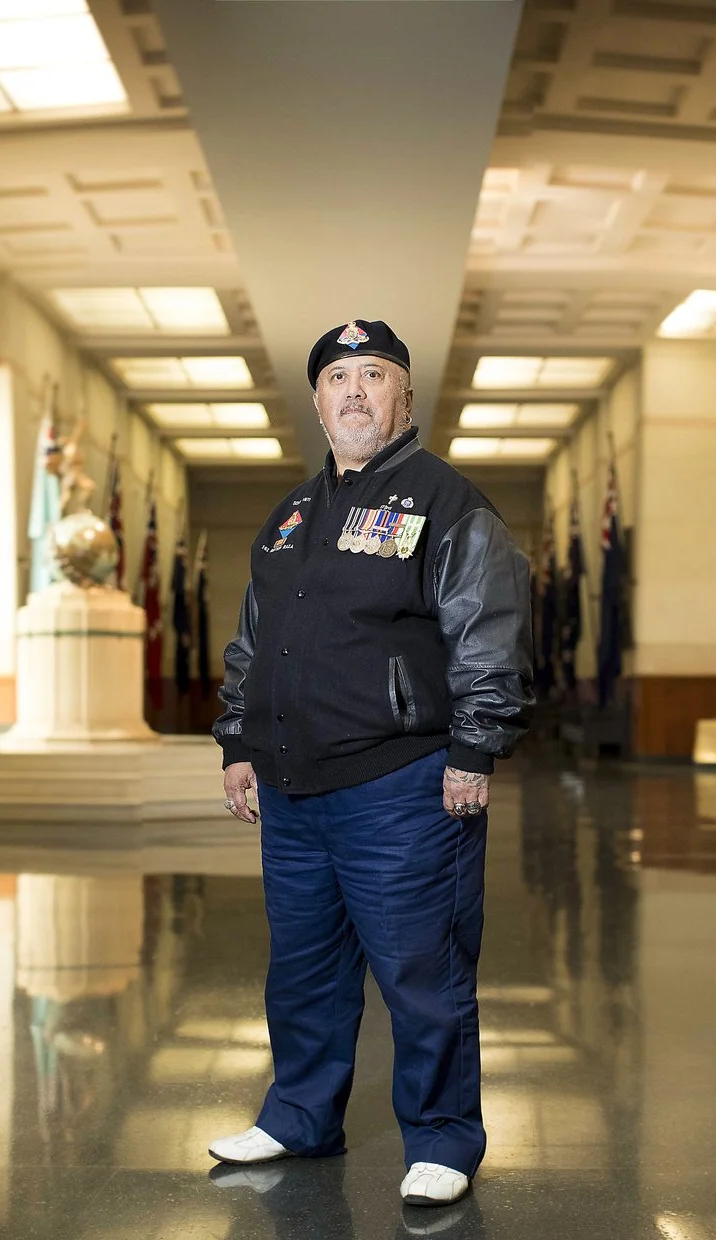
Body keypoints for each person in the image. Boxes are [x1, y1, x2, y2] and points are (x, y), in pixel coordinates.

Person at [206, 319, 532, 1208]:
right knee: (303, 969)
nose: (354, 392)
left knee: (422, 973)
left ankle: (443, 1139)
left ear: (405, 396)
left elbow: (488, 632)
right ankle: (301, 1116)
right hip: (292, 788)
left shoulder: (447, 503)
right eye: (338, 377)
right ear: (315, 401)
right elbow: (254, 641)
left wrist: (477, 747)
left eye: (374, 375)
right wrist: (238, 739)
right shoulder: (291, 518)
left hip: (405, 787)